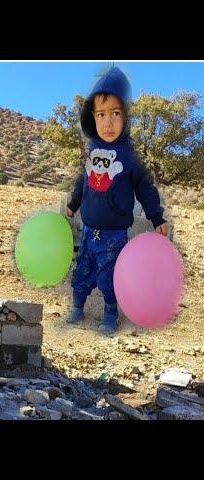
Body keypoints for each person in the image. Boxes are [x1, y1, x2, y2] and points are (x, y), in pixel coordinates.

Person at [64, 66, 168, 336]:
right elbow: (83, 181)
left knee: (109, 277)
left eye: (115, 113)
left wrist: (157, 217)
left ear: (127, 117)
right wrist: (73, 204)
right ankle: (77, 307)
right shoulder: (91, 149)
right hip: (88, 230)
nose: (107, 122)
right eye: (101, 114)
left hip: (114, 235)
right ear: (92, 117)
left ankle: (110, 312)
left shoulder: (129, 155)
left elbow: (145, 188)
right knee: (82, 271)